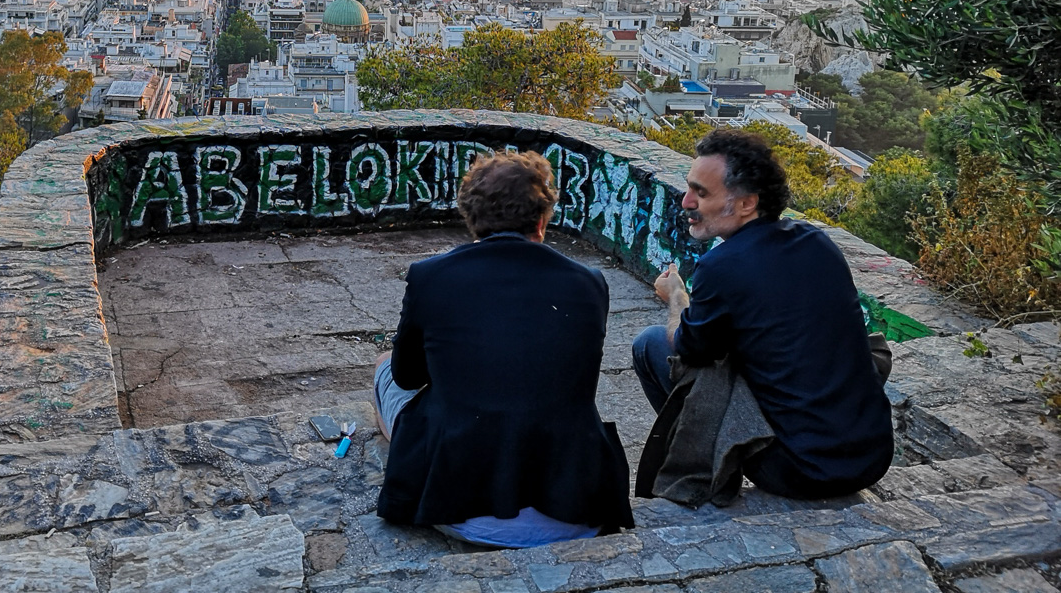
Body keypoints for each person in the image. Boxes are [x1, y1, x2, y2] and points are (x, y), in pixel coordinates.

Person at [374, 151, 633, 546]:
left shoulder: (432, 276)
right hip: (578, 509)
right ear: (542, 221)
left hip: (460, 511)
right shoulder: (589, 283)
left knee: (383, 369)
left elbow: (406, 375)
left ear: (472, 218)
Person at [632, 128, 893, 499]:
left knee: (650, 344)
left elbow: (686, 349)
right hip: (870, 456)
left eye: (701, 193)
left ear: (746, 204)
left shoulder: (721, 267)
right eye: (689, 188)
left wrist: (676, 295)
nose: (686, 201)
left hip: (800, 471)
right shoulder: (818, 243)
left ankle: (708, 467)